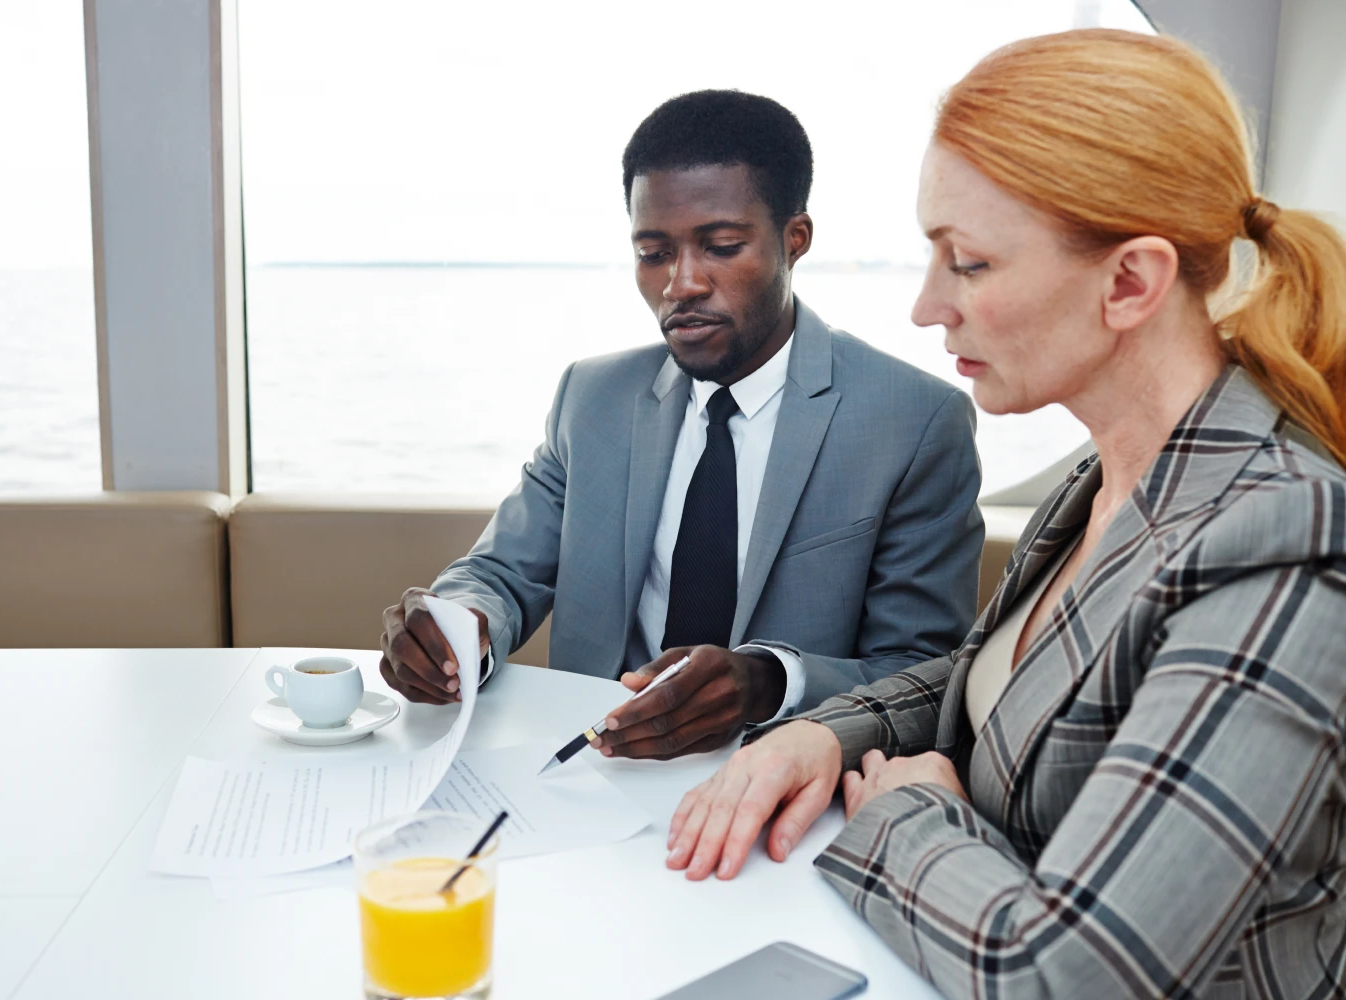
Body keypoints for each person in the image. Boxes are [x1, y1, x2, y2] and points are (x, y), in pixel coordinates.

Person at [664, 30, 1346, 998]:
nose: (927, 306)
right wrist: (825, 733)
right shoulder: (1108, 481)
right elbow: (1017, 680)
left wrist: (903, 817)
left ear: (1130, 282)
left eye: (970, 263)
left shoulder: (1283, 545)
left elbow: (1068, 975)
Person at [379, 90, 984, 759]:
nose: (682, 283)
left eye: (721, 246)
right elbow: (503, 573)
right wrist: (459, 623)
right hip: (588, 770)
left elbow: (924, 677)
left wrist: (766, 683)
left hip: (781, 783)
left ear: (795, 239)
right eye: (654, 252)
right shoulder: (592, 397)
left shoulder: (914, 420)